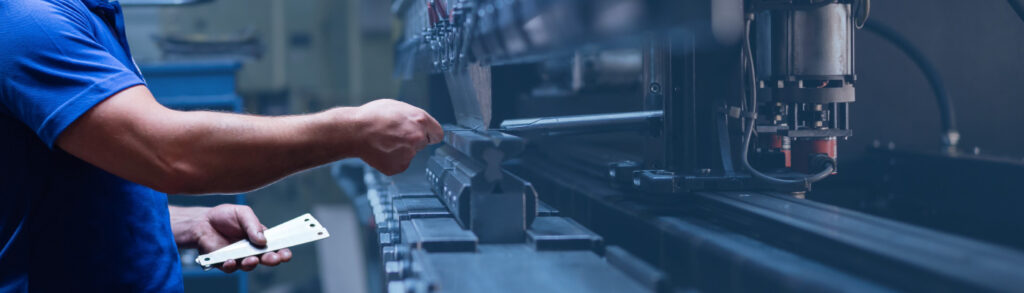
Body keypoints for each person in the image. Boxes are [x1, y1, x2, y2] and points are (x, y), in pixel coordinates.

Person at [0, 0, 444, 291]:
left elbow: (56, 179)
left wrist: (172, 221)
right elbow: (171, 153)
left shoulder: (88, 14)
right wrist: (353, 130)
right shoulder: (31, 22)